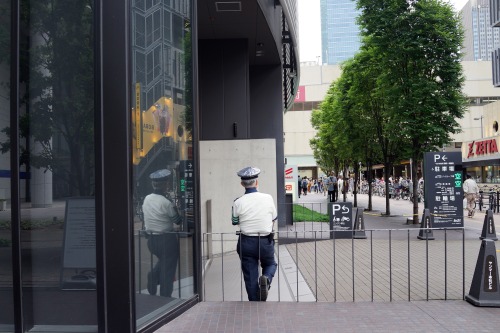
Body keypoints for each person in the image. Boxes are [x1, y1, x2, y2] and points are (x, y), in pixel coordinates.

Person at [232, 166, 278, 301]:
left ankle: (254, 302)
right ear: (257, 182)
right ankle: (267, 279)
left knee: (250, 275)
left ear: (242, 184)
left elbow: (234, 221)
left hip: (246, 241)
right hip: (265, 240)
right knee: (270, 264)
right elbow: (274, 218)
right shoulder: (268, 198)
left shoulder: (237, 202)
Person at [142, 169, 182, 297]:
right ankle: (165, 297)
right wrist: (177, 209)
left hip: (152, 241)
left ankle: (153, 275)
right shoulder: (166, 203)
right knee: (168, 270)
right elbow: (177, 221)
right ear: (165, 184)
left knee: (164, 262)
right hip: (167, 240)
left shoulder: (147, 199)